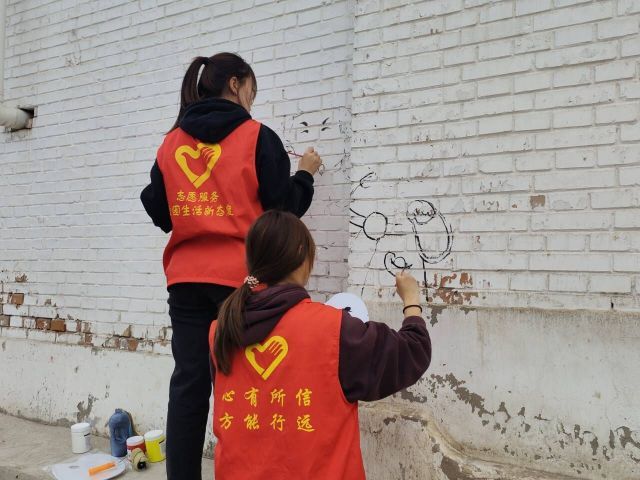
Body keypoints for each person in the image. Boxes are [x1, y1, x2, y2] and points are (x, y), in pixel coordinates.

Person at [140, 52, 322, 480]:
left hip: (185, 281)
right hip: (242, 284)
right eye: (252, 90)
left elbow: (158, 208)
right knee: (245, 387)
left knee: (188, 385)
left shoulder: (172, 142)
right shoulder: (256, 136)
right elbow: (284, 209)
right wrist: (306, 174)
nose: (252, 101)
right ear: (237, 84)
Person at [209, 210, 432, 480]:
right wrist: (412, 299)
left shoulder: (220, 331)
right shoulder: (333, 329)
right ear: (303, 254)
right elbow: (412, 351)